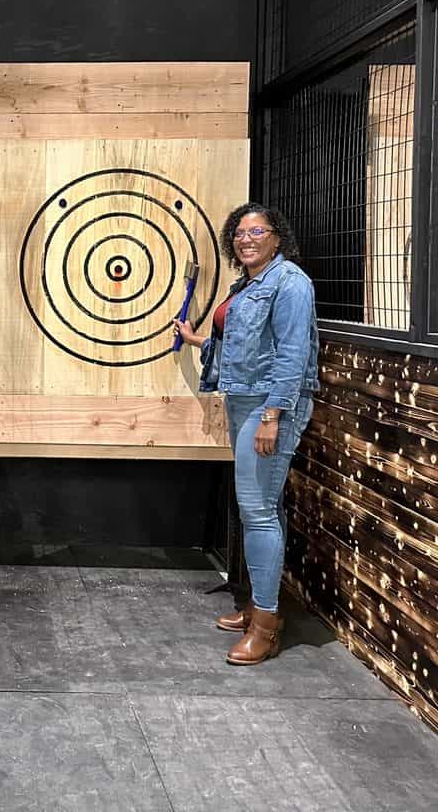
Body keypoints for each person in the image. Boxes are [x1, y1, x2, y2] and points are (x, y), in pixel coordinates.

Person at [174, 203, 319, 666]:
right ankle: (257, 605)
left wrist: (274, 414)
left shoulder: (290, 282)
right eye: (239, 232)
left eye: (257, 231)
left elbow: (293, 355)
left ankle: (267, 626)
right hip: (245, 399)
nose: (246, 238)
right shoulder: (249, 284)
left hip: (269, 405)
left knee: (257, 511)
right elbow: (242, 343)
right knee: (261, 506)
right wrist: (198, 341)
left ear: (278, 237)